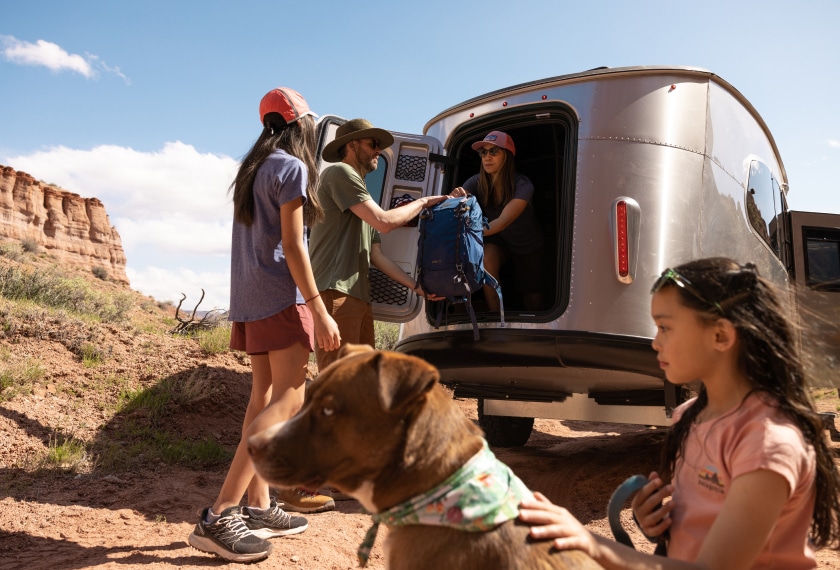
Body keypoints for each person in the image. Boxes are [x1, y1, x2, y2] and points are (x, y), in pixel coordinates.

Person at [518, 257, 840, 569]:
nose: (655, 343)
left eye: (665, 327)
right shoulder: (688, 416)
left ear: (721, 336)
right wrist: (661, 524)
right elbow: (701, 523)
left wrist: (592, 542)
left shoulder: (768, 443)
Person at [188, 87, 341, 563]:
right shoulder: (293, 168)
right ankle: (221, 515)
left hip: (251, 300)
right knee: (289, 400)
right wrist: (319, 309)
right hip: (282, 298)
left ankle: (258, 504)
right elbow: (295, 247)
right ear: (302, 126)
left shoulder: (252, 169)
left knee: (263, 398)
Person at [308, 118, 447, 371]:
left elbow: (377, 256)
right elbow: (384, 221)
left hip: (356, 297)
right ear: (351, 145)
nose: (378, 151)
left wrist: (417, 288)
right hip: (336, 293)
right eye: (373, 143)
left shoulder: (361, 198)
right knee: (339, 385)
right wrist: (423, 202)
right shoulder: (340, 172)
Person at [450, 130, 543, 311]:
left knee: (532, 299)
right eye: (483, 152)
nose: (487, 157)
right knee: (487, 259)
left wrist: (467, 230)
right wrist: (453, 200)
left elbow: (502, 222)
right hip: (498, 240)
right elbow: (457, 204)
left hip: (526, 245)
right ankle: (496, 317)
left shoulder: (523, 185)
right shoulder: (475, 182)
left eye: (494, 152)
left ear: (507, 156)